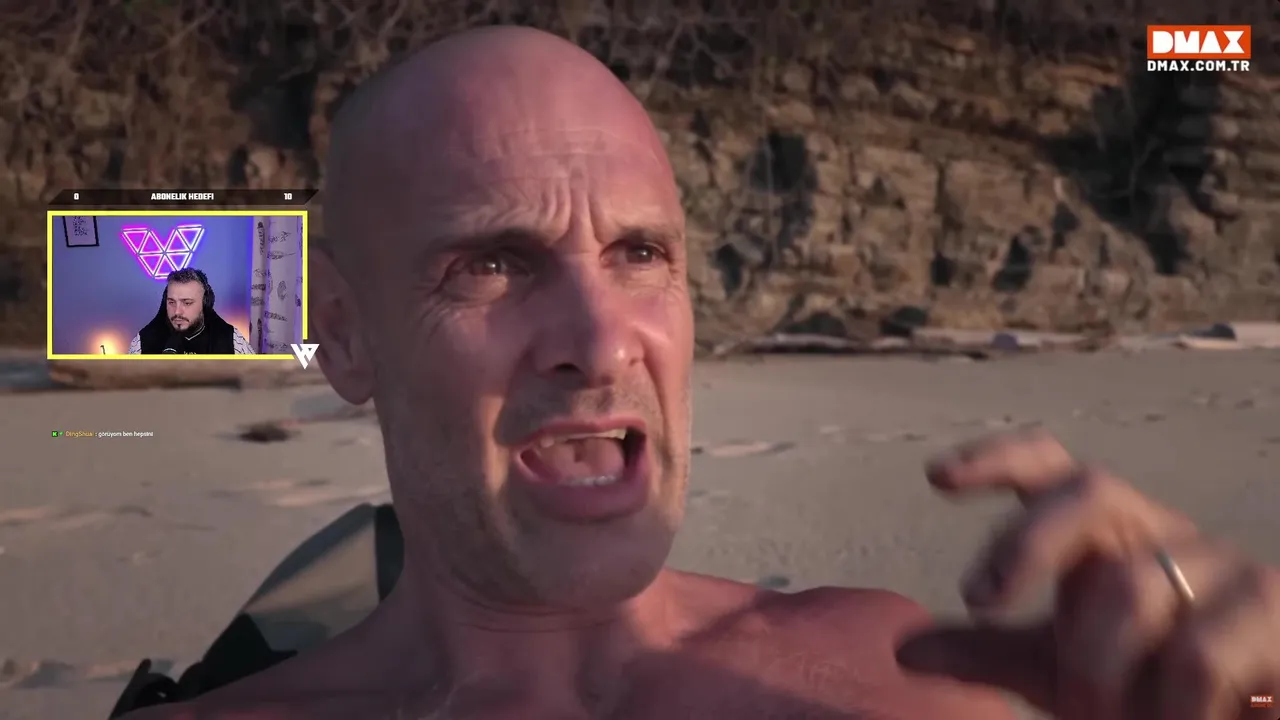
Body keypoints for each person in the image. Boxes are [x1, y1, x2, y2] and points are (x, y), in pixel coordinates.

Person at [123, 26, 1280, 719]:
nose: (601, 338)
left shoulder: (911, 672)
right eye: (492, 264)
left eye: (639, 255)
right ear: (342, 337)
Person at [126, 268, 255, 355]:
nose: (177, 312)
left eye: (187, 303)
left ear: (205, 303)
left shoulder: (232, 340)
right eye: (171, 302)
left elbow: (255, 381)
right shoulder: (142, 342)